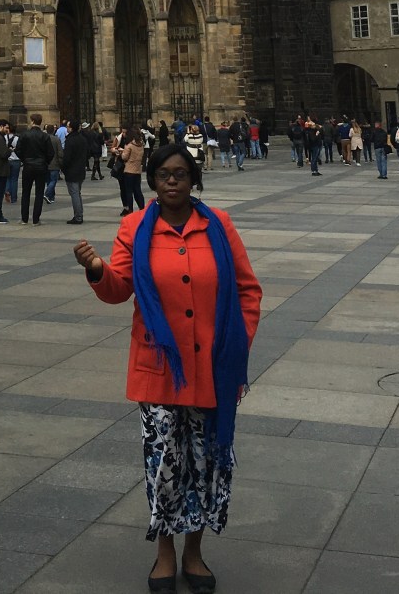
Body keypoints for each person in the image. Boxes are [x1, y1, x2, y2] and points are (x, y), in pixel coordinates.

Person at [73, 143, 262, 593]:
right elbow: (119, 288)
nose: (172, 180)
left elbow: (247, 290)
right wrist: (98, 268)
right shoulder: (134, 227)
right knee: (163, 465)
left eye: (180, 173)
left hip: (214, 369)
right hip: (158, 368)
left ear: (193, 178)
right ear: (152, 180)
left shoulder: (219, 225)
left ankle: (194, 553)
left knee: (204, 463)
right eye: (163, 174)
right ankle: (164, 553)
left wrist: (236, 344)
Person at [16, 112, 54, 225]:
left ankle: (24, 218)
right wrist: (45, 162)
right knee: (39, 193)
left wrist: (24, 159)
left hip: (28, 166)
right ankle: (36, 219)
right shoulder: (45, 136)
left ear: (32, 121)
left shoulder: (24, 135)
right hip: (41, 166)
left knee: (26, 192)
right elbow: (51, 153)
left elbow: (18, 150)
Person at [62, 120, 89, 224]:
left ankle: (78, 216)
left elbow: (67, 158)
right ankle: (79, 214)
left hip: (72, 170)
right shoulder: (82, 139)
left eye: (68, 126)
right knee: (77, 193)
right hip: (80, 169)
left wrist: (64, 168)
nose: (67, 128)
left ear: (71, 128)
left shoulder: (70, 140)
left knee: (74, 194)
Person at [119, 129, 146, 215]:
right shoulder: (141, 145)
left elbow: (124, 157)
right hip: (137, 171)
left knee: (129, 191)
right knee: (138, 190)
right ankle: (142, 208)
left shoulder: (130, 146)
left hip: (129, 170)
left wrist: (121, 152)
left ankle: (130, 210)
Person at [44, 124, 63, 203]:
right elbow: (60, 153)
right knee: (53, 181)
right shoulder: (56, 139)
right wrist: (61, 163)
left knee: (49, 181)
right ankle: (47, 194)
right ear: (54, 130)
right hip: (54, 163)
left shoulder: (43, 139)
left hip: (45, 163)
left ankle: (51, 197)